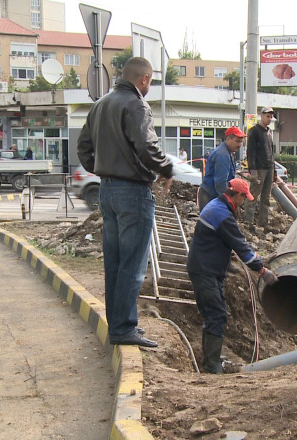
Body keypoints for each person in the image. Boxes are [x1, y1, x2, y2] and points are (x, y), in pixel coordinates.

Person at [77, 57, 174, 348]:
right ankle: (123, 329)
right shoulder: (136, 104)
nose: (149, 86)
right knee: (133, 264)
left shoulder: (100, 104)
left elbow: (83, 147)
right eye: (150, 81)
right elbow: (146, 145)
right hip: (132, 192)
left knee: (116, 263)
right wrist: (166, 168)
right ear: (144, 79)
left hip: (108, 190)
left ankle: (119, 325)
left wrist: (104, 168)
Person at [187, 178, 279, 373]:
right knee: (216, 314)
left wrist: (234, 253)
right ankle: (212, 365)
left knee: (212, 314)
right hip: (205, 270)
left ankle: (212, 359)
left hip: (208, 268)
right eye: (244, 198)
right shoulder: (222, 214)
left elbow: (223, 238)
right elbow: (240, 245)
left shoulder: (217, 205)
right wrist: (262, 271)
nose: (244, 202)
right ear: (237, 195)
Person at [198, 126, 246, 210]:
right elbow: (221, 183)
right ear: (228, 139)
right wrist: (228, 202)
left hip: (211, 195)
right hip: (210, 196)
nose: (239, 145)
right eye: (237, 141)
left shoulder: (229, 152)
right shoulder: (223, 155)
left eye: (241, 142)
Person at [245, 106, 276, 227]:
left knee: (266, 198)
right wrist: (253, 171)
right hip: (259, 169)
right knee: (253, 196)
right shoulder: (254, 131)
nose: (269, 119)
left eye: (271, 117)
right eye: (267, 116)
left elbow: (271, 151)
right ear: (261, 116)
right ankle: (248, 222)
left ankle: (263, 223)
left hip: (269, 168)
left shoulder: (269, 132)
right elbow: (251, 152)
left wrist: (274, 171)